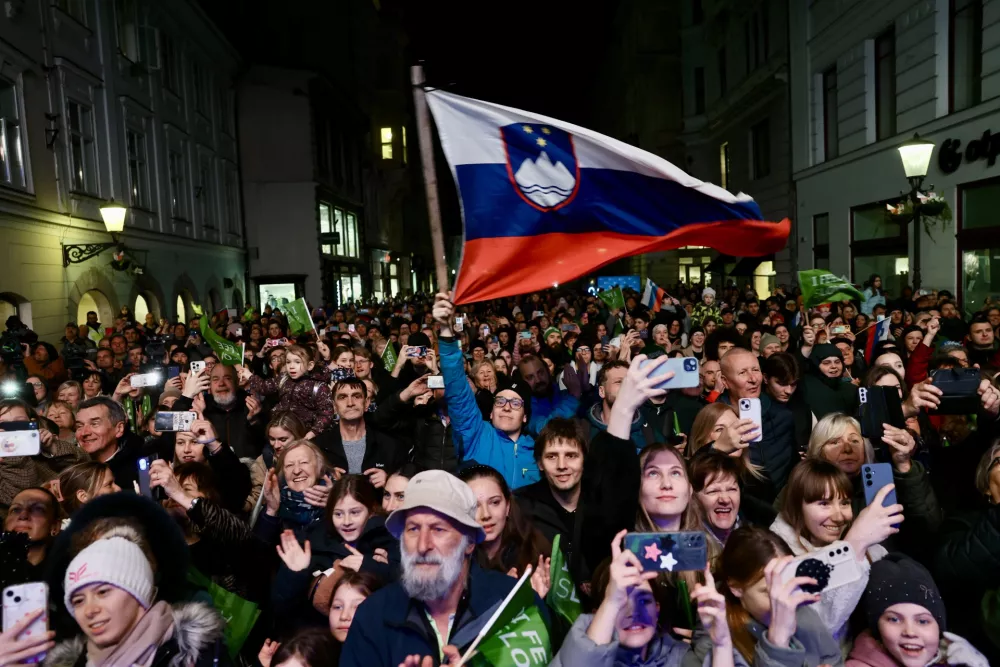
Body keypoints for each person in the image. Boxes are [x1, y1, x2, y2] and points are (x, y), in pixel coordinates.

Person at [339, 469, 547, 667]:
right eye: (413, 529)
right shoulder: (373, 615)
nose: (423, 546)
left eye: (438, 529)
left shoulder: (515, 605)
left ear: (469, 543)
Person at [549, 530, 736, 667]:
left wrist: (722, 643)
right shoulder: (575, 655)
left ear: (657, 608)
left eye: (644, 601)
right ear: (598, 613)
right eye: (621, 602)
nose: (634, 613)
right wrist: (612, 601)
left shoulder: (678, 657)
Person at [51, 523, 226, 667]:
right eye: (78, 601)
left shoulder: (195, 655)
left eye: (103, 592)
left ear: (139, 592)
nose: (89, 610)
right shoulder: (74, 662)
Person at [769, 458, 899, 642]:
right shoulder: (779, 560)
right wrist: (852, 547)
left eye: (845, 503)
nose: (839, 517)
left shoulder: (870, 550)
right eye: (824, 503)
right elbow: (819, 630)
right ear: (797, 507)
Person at [435, 293, 539, 489]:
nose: (506, 407)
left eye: (515, 403)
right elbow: (457, 389)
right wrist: (447, 331)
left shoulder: (537, 452)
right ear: (490, 412)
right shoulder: (476, 434)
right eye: (500, 401)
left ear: (525, 416)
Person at [696, 526, 841, 667]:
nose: (783, 601)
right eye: (770, 592)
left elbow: (834, 659)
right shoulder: (715, 640)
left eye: (788, 587)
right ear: (736, 587)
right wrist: (778, 641)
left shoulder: (803, 614)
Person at [270, 474, 397, 630]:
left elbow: (408, 589)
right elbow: (281, 609)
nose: (346, 521)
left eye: (355, 512)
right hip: (320, 639)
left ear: (371, 511)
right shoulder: (313, 542)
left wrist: (371, 567)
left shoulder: (388, 540)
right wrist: (296, 573)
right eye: (338, 514)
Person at [848, 554, 989, 667]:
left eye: (922, 621)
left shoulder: (953, 661)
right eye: (894, 619)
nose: (910, 632)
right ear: (876, 629)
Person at [715, 348, 798, 503]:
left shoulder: (783, 416)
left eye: (755, 370)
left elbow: (793, 465)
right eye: (743, 373)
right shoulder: (713, 420)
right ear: (725, 381)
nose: (753, 378)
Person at [457, 465, 550, 595]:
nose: (486, 514)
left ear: (507, 506)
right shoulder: (452, 561)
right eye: (474, 506)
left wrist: (533, 601)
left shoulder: (535, 551)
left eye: (494, 502)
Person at [1, 399, 88, 517]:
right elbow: (20, 498)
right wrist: (9, 452)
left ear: (32, 423)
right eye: (3, 424)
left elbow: (85, 463)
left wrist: (52, 446)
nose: (12, 429)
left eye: (19, 422)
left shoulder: (43, 452)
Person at [315, 378, 404, 486]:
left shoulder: (389, 446)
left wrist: (389, 480)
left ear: (366, 403)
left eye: (356, 396)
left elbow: (405, 487)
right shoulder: (317, 447)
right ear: (334, 406)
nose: (350, 403)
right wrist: (323, 480)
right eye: (342, 397)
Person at [172, 364, 265, 460]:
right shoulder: (200, 405)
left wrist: (254, 422)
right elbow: (170, 428)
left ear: (237, 382)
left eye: (227, 378)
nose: (221, 384)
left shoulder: (252, 405)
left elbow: (265, 443)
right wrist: (187, 396)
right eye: (215, 379)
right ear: (209, 385)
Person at [241, 344, 334, 439]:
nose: (291, 366)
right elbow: (264, 387)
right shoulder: (283, 378)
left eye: (297, 362)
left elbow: (326, 413)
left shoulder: (319, 387)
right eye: (288, 362)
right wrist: (249, 375)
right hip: (280, 431)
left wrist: (312, 434)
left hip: (303, 435)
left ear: (310, 365)